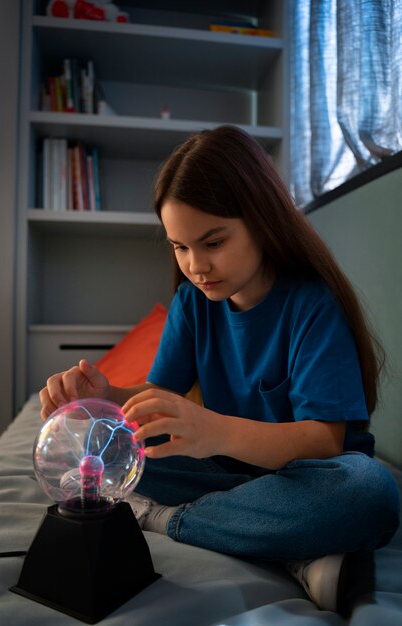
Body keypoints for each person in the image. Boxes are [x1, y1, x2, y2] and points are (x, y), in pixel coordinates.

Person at [40, 125, 400, 615]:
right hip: (228, 476)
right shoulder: (193, 303)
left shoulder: (312, 303)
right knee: (109, 450)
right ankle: (285, 544)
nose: (196, 266)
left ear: (262, 220)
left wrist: (216, 431)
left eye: (213, 242)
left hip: (312, 478)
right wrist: (105, 396)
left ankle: (162, 518)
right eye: (179, 247)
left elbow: (324, 440)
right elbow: (158, 403)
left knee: (371, 492)